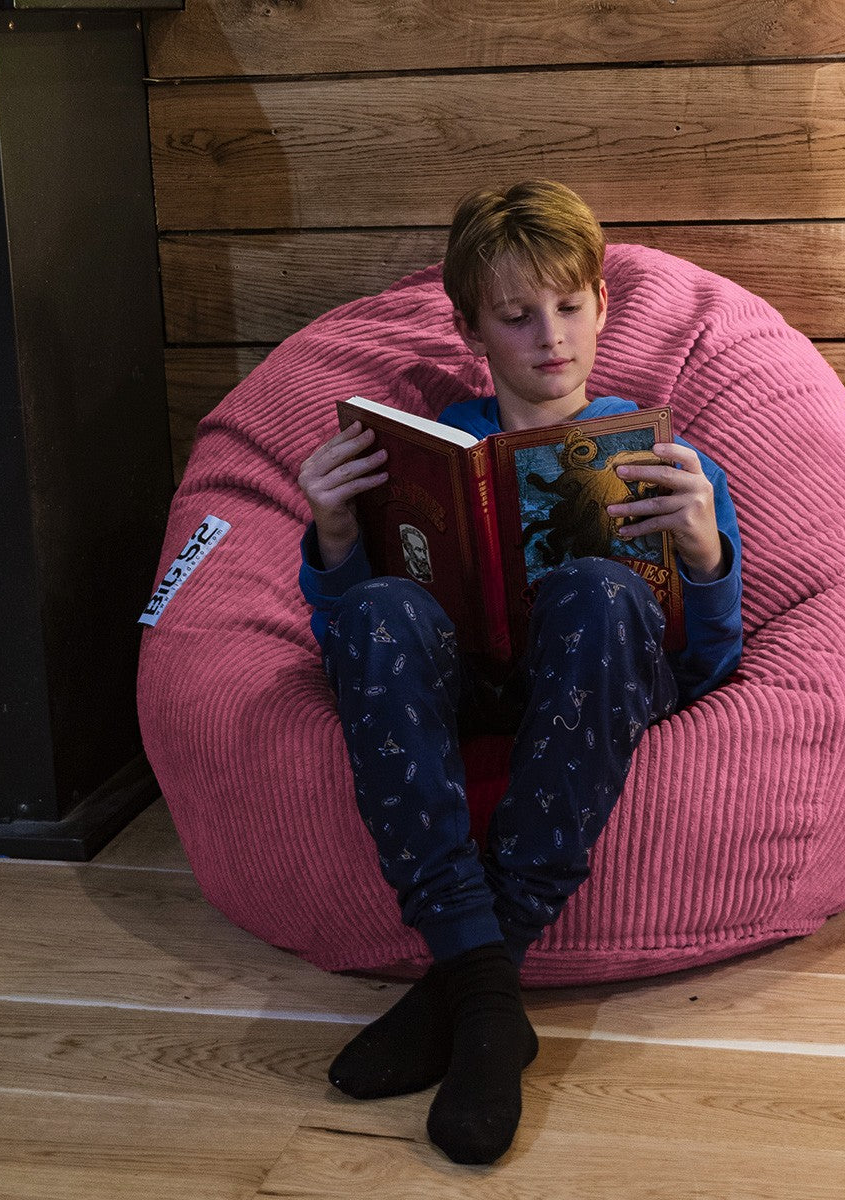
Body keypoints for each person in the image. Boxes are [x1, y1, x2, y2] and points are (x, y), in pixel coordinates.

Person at [295, 180, 743, 1165]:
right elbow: (347, 653)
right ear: (471, 330)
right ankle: (489, 998)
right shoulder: (419, 449)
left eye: (572, 305)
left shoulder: (664, 456)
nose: (552, 336)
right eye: (516, 315)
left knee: (600, 590)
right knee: (376, 610)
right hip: (462, 677)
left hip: (595, 669)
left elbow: (712, 669)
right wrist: (332, 535)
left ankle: (472, 995)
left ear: (603, 307)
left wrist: (705, 559)